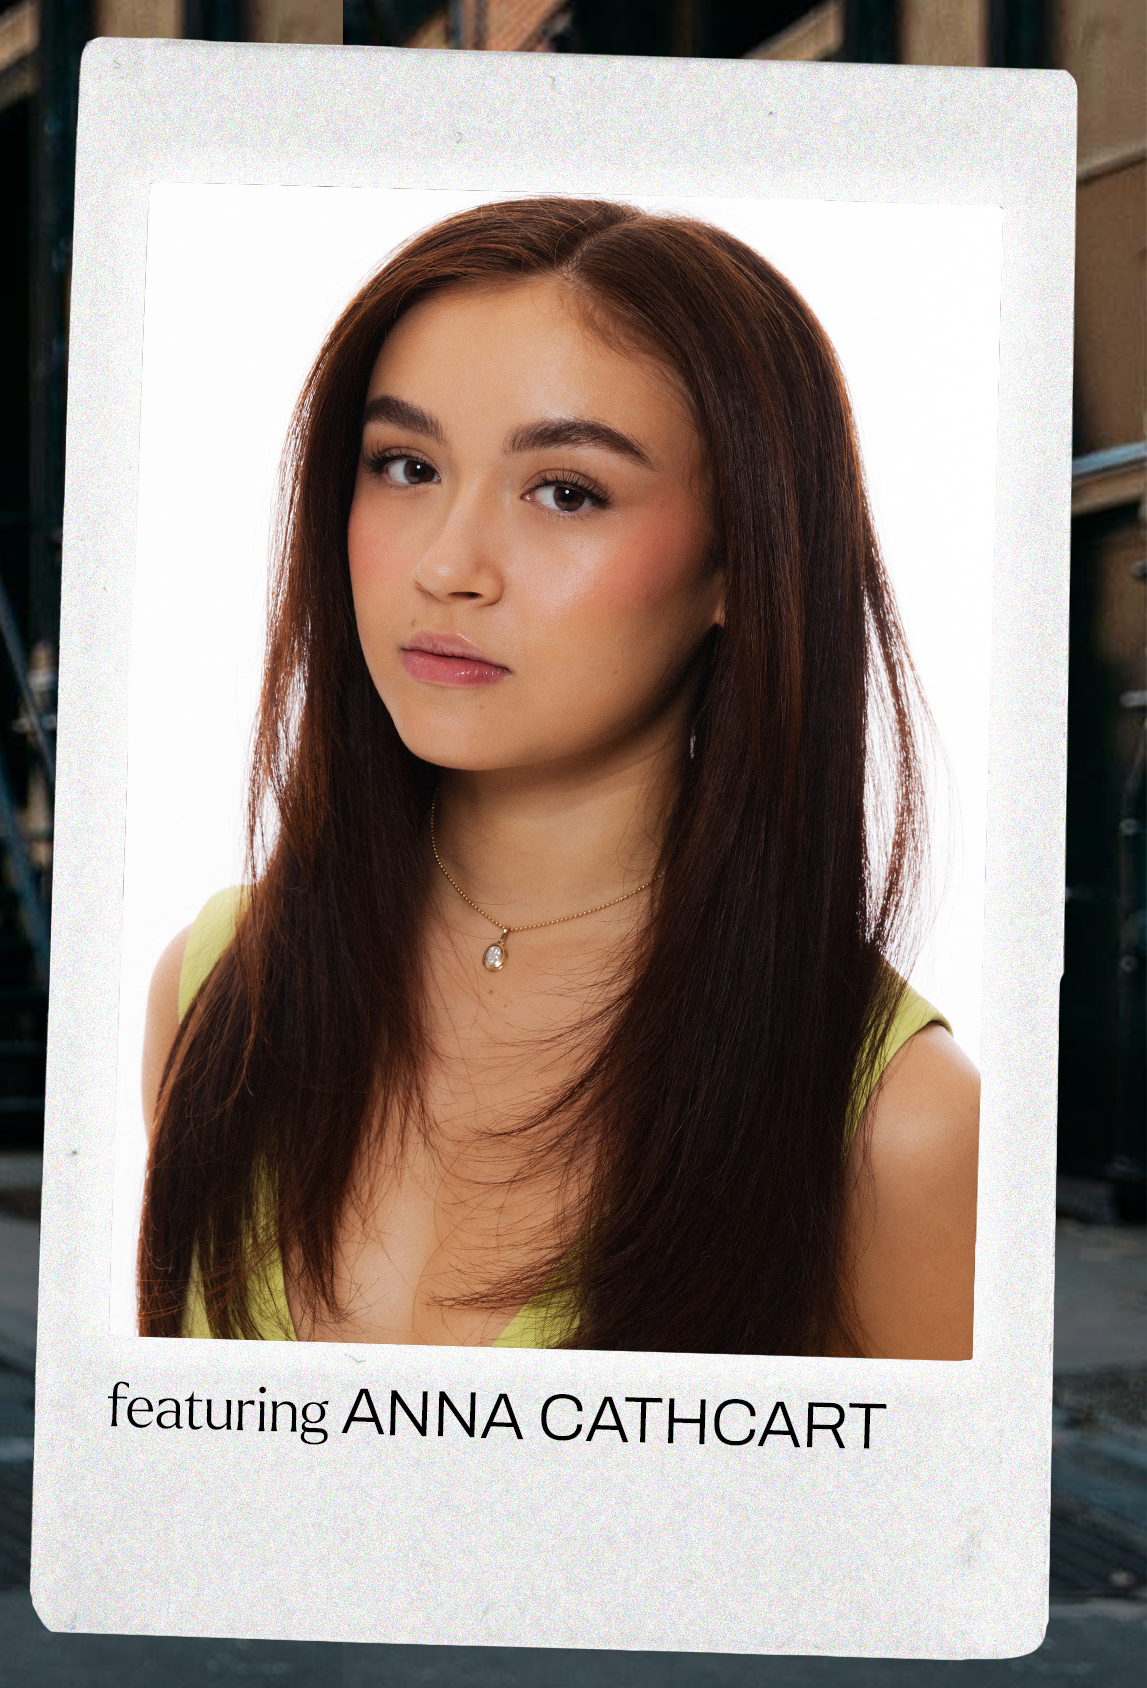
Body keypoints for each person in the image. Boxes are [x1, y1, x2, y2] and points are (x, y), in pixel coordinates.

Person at [136, 197, 980, 1360]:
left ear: (744, 559)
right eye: (405, 465)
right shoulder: (223, 990)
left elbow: (937, 1546)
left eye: (567, 490)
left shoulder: (898, 1123)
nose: (448, 565)